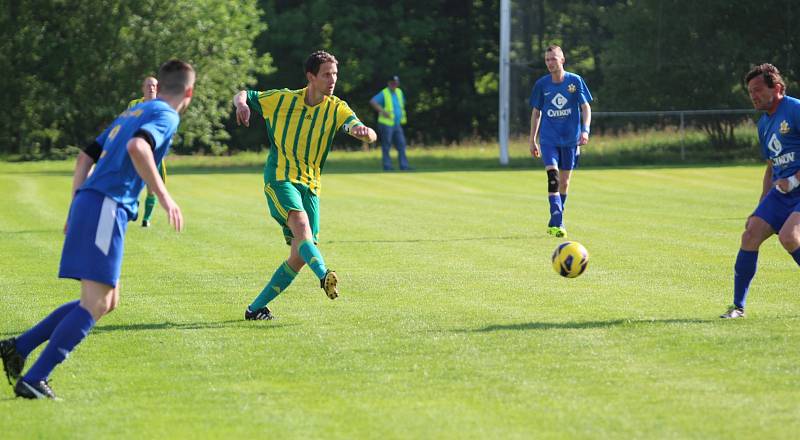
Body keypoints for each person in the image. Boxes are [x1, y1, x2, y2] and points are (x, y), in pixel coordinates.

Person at [0, 60, 195, 399]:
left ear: (159, 85)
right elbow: (138, 148)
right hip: (108, 206)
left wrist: (76, 204)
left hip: (91, 202)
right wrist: (163, 196)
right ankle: (35, 378)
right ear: (189, 92)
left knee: (107, 300)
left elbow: (83, 158)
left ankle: (20, 346)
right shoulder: (166, 115)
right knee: (96, 303)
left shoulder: (131, 114)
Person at [233, 50, 377, 321]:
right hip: (280, 178)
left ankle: (254, 310)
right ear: (311, 77)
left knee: (300, 254)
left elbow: (364, 130)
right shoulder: (283, 99)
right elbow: (244, 94)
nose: (332, 79)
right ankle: (325, 275)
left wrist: (365, 133)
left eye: (335, 73)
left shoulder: (337, 107)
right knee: (301, 228)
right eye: (326, 74)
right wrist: (241, 104)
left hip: (311, 186)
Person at [721, 63, 800, 319]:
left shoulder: (795, 109)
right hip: (780, 193)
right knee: (750, 234)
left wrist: (795, 181)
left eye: (757, 90)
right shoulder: (763, 124)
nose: (753, 96)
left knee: (789, 237)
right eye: (750, 92)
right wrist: (760, 206)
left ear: (776, 88)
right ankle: (737, 307)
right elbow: (771, 168)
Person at [528, 45, 592, 238]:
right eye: (547, 60)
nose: (549, 63)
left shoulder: (575, 81)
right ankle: (559, 222)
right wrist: (532, 139)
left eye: (553, 59)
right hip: (549, 140)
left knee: (564, 183)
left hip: (571, 141)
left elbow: (586, 108)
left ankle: (554, 220)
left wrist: (585, 131)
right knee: (553, 178)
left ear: (562, 60)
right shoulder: (542, 84)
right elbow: (536, 112)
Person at [128, 76, 167, 228]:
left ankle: (146, 219)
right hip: (137, 150)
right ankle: (133, 206)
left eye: (154, 85)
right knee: (133, 182)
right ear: (143, 88)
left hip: (154, 152)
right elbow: (127, 123)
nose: (151, 88)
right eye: (148, 85)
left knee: (152, 187)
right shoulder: (134, 104)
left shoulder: (163, 105)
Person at [370, 75, 411, 171]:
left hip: (397, 124)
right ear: (389, 83)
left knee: (402, 144)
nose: (394, 84)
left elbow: (401, 105)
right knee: (387, 145)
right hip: (386, 124)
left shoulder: (399, 92)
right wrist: (383, 112)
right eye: (393, 83)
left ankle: (404, 166)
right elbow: (373, 102)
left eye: (396, 83)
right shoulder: (384, 93)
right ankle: (387, 166)